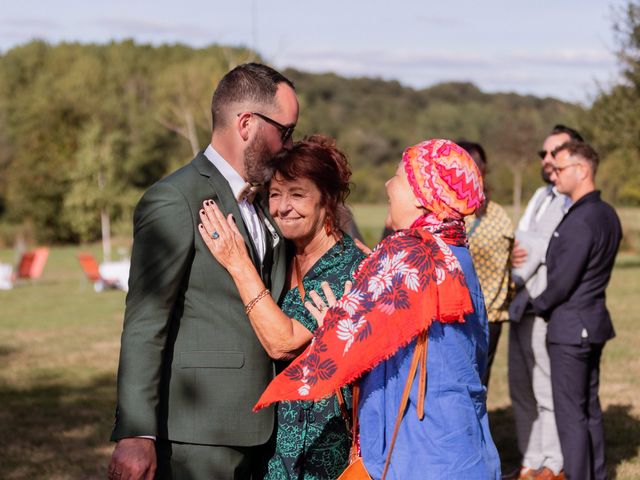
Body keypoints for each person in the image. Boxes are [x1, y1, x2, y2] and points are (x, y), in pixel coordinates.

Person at [254, 139, 502, 479]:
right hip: (462, 447)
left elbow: (339, 349)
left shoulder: (407, 254)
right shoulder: (456, 253)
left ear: (422, 195)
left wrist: (332, 323)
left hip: (416, 455)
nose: (388, 184)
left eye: (399, 176)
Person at [107, 63, 299, 480]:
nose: (289, 144)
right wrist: (137, 432)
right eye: (285, 131)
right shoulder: (175, 199)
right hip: (200, 435)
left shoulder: (268, 201)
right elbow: (145, 321)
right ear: (246, 123)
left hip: (268, 425)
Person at [198, 135, 367, 479]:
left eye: (298, 194)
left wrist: (236, 262)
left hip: (324, 446)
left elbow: (282, 341)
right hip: (274, 444)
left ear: (328, 200)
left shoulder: (347, 265)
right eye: (276, 194)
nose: (283, 207)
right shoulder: (281, 253)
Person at [531, 141, 621, 480]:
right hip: (591, 324)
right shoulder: (605, 213)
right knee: (588, 410)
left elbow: (562, 281)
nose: (554, 174)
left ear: (582, 170)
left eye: (561, 168)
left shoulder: (583, 218)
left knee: (571, 416)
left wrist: (535, 305)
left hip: (571, 328)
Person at [507, 125, 584, 480]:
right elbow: (521, 239)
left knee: (544, 387)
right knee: (519, 386)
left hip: (545, 305)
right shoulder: (540, 195)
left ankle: (553, 464)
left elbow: (535, 248)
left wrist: (517, 252)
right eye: (544, 153)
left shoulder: (572, 201)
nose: (548, 159)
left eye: (555, 153)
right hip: (520, 302)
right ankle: (530, 461)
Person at [458, 141, 514, 388]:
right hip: (455, 318)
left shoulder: (498, 214)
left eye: (478, 167)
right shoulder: (443, 214)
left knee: (479, 386)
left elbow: (512, 256)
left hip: (490, 318)